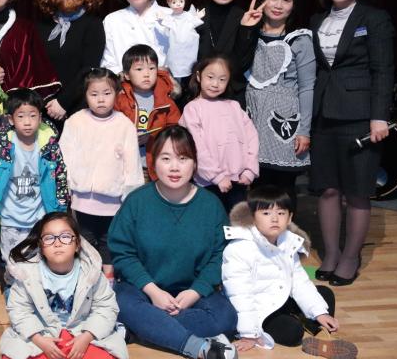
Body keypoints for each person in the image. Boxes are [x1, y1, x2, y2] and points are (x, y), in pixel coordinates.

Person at [108, 126, 240, 359]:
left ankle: (143, 328)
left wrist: (194, 292)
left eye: (183, 158)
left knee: (226, 318)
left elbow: (220, 256)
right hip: (144, 290)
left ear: (195, 163)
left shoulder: (211, 205)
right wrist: (153, 291)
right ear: (153, 162)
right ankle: (198, 347)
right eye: (166, 158)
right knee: (120, 301)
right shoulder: (137, 201)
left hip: (191, 293)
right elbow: (123, 253)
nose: (174, 167)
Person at [309, 0, 394, 286]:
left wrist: (379, 117)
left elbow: (383, 70)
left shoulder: (374, 18)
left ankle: (350, 256)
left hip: (360, 116)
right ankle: (331, 253)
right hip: (322, 115)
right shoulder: (317, 20)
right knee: (327, 190)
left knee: (357, 191)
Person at [222, 186, 357, 359]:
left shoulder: (288, 241)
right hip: (261, 309)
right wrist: (249, 333)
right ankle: (306, 325)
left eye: (281, 213)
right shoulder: (239, 249)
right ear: (252, 217)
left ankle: (317, 328)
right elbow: (240, 295)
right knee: (292, 333)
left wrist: (319, 313)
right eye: (266, 213)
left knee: (324, 295)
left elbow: (299, 281)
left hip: (282, 297)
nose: (274, 219)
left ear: (290, 218)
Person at [0, 212, 127, 359]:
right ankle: (61, 350)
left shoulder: (92, 273)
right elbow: (19, 310)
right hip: (43, 332)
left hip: (80, 332)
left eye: (65, 237)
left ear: (77, 244)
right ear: (41, 247)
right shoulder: (27, 274)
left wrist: (86, 337)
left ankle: (63, 349)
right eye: (49, 238)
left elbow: (106, 307)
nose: (57, 243)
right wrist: (39, 341)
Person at [59, 68, 144, 281]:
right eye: (94, 94)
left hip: (113, 201)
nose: (100, 99)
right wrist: (66, 188)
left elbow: (132, 164)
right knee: (85, 240)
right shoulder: (75, 122)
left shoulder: (124, 125)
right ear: (86, 95)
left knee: (109, 241)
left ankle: (109, 280)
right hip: (82, 200)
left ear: (116, 93)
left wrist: (130, 195)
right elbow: (64, 159)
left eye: (107, 93)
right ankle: (88, 280)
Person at [245, 0, 316, 213]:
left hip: (284, 126)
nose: (278, 5)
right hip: (253, 121)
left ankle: (283, 234)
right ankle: (257, 234)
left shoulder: (300, 40)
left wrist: (304, 130)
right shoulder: (249, 33)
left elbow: (307, 87)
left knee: (283, 188)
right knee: (256, 185)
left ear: (294, 5)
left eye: (286, 0)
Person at [0, 89, 70, 267]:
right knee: (12, 263)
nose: (27, 122)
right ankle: (12, 283)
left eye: (32, 116)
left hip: (40, 218)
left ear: (40, 117)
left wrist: (60, 207)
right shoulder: (0, 145)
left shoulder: (49, 146)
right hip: (10, 219)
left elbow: (60, 177)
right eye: (21, 116)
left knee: (39, 262)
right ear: (11, 119)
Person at [179, 55, 259, 211]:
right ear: (199, 76)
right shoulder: (192, 109)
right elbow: (195, 146)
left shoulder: (234, 106)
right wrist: (216, 176)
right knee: (210, 220)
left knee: (238, 222)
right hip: (207, 182)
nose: (215, 84)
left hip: (238, 180)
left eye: (222, 79)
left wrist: (250, 170)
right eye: (210, 77)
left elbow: (252, 138)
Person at [34, 0, 106, 120]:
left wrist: (63, 103)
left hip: (80, 109)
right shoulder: (41, 26)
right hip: (45, 109)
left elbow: (89, 70)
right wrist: (47, 103)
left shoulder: (93, 25)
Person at [196, 0, 257, 107]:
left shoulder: (246, 18)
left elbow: (241, 66)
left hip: (232, 101)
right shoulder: (192, 17)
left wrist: (245, 29)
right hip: (196, 99)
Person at [113, 44, 181, 181]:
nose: (146, 74)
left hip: (156, 167)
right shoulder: (120, 99)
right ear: (126, 75)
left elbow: (175, 130)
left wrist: (153, 137)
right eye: (139, 69)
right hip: (125, 166)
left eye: (151, 68)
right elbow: (110, 128)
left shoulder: (165, 100)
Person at [157, 0, 203, 88]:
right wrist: (162, 19)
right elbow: (165, 28)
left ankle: (188, 87)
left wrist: (198, 17)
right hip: (175, 48)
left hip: (188, 47)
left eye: (181, 1)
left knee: (189, 69)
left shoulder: (188, 15)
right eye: (174, 2)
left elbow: (194, 22)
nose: (178, 4)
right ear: (168, 2)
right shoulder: (170, 18)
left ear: (185, 1)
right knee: (175, 70)